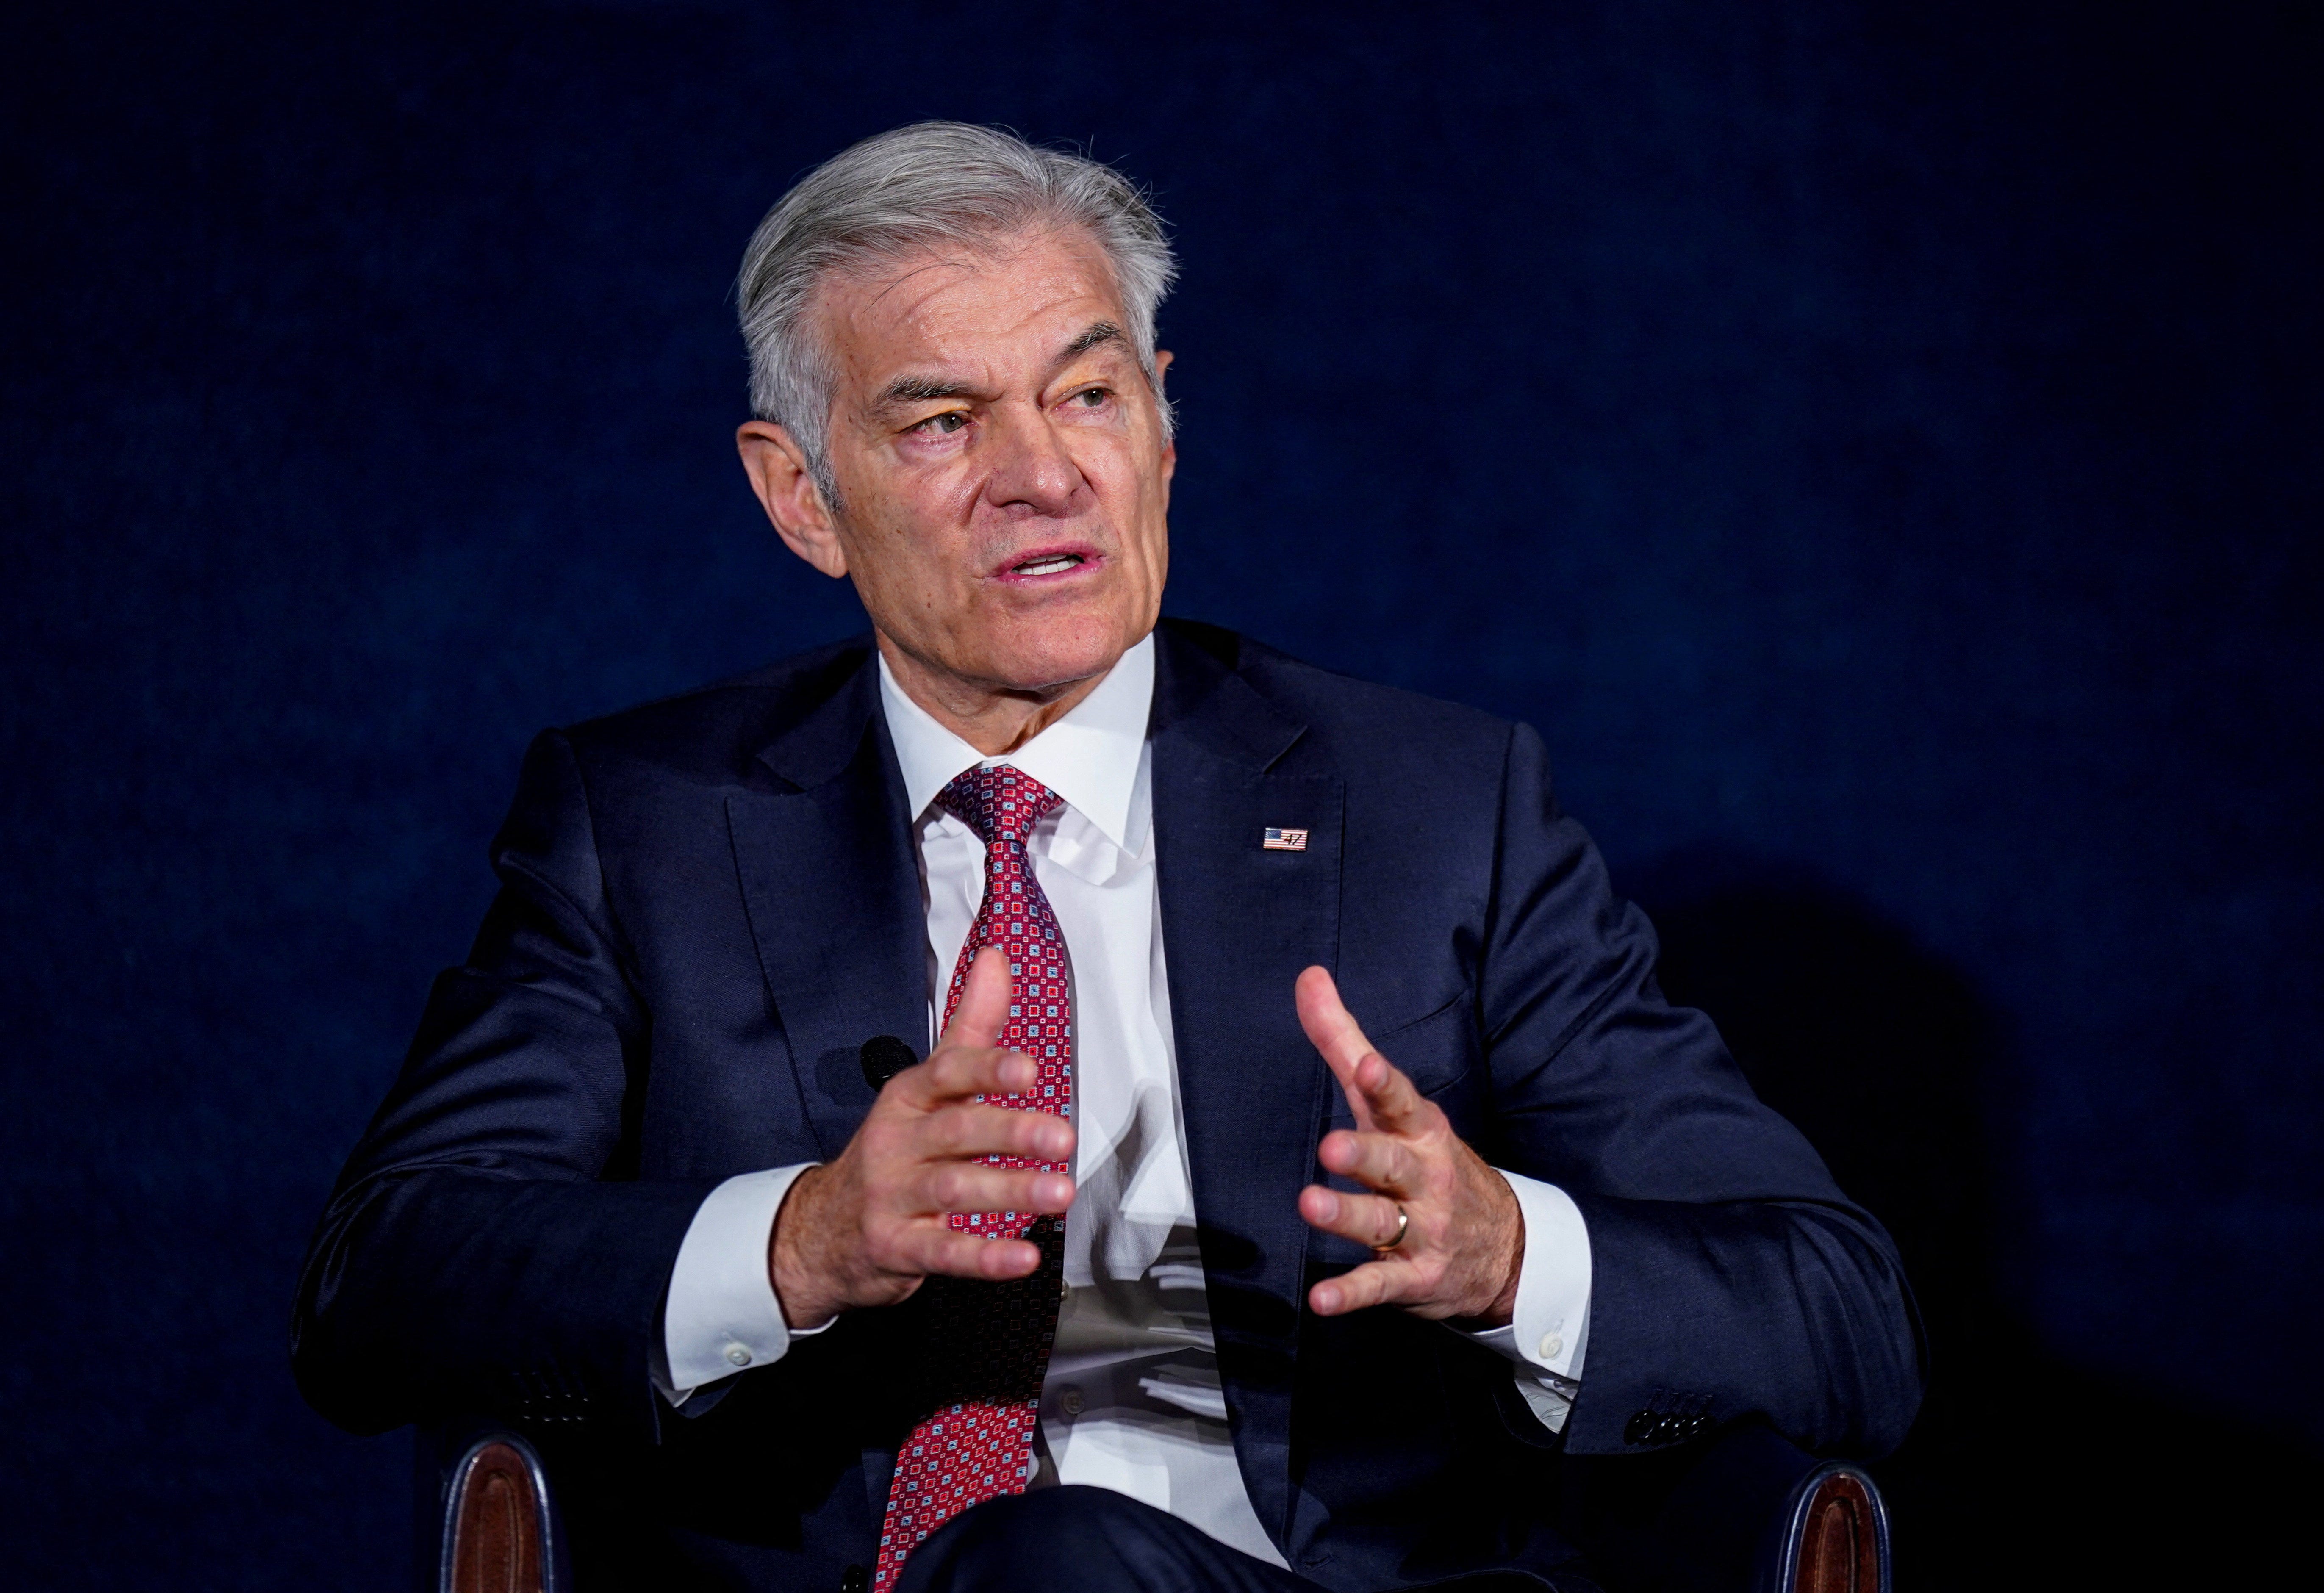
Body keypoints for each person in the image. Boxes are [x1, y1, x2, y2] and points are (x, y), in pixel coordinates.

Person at [291, 122, 1921, 1593]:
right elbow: (383, 1283)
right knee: (1046, 1559)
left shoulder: (1437, 807)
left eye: (1088, 394)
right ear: (803, 499)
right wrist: (798, 1242)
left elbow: (1844, 1314)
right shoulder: (644, 820)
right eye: (944, 420)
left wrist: (1509, 1258)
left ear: (1162, 426)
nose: (1044, 473)